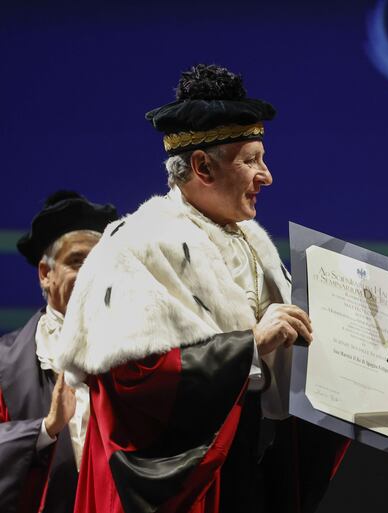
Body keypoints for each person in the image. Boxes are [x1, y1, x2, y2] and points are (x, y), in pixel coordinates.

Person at [56, 64, 345, 513]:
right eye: (251, 160)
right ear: (202, 166)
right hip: (189, 486)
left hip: (244, 472)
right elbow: (132, 380)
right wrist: (250, 345)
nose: (266, 176)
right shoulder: (138, 245)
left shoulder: (252, 242)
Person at [0, 191, 118, 513]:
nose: (91, 274)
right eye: (77, 261)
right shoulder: (4, 363)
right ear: (45, 274)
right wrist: (45, 429)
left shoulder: (138, 353)